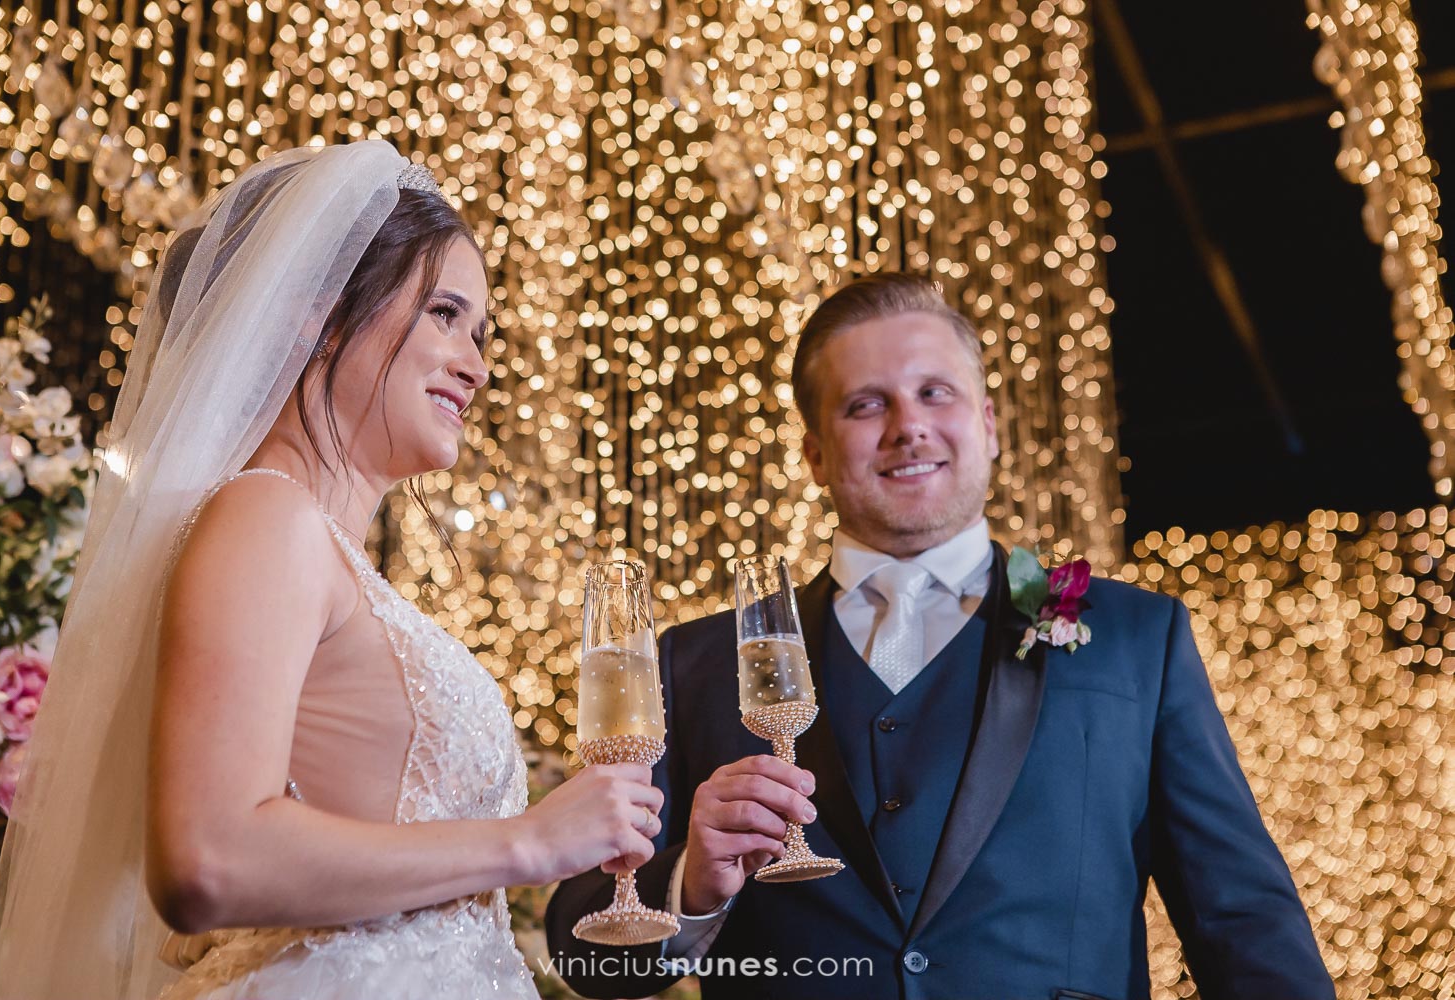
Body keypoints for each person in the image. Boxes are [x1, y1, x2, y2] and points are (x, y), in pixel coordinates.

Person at [0, 141, 662, 1000]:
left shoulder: (323, 555)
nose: (477, 365)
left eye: (480, 332)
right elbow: (207, 860)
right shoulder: (267, 518)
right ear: (322, 315)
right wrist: (529, 842)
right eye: (445, 313)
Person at [546, 272, 1335, 1000]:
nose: (908, 427)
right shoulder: (697, 661)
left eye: (935, 393)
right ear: (816, 453)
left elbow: (1241, 916)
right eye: (866, 404)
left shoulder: (1135, 636)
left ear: (988, 425)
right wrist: (690, 883)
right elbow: (580, 953)